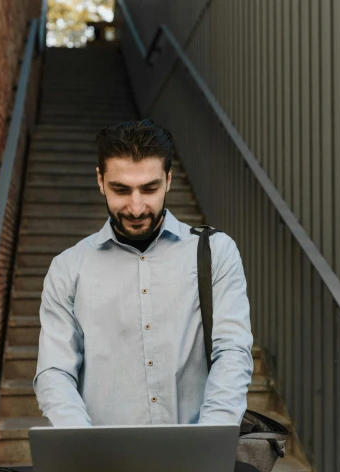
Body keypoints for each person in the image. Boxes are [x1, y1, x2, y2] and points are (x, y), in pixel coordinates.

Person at [33, 119, 253, 427]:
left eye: (149, 188)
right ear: (100, 181)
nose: (136, 208)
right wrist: (82, 445)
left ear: (169, 179)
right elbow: (55, 372)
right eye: (121, 190)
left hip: (196, 459)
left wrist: (209, 441)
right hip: (103, 462)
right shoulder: (68, 268)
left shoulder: (216, 252)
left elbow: (232, 352)